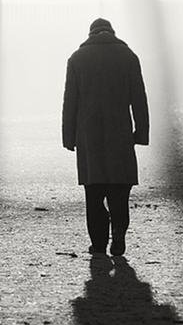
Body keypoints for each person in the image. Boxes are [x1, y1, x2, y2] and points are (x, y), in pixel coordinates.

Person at [62, 18, 149, 257]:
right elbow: (139, 99)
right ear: (112, 33)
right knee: (119, 192)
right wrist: (141, 133)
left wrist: (69, 137)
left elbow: (70, 101)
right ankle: (119, 234)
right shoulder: (128, 57)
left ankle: (99, 243)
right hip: (119, 134)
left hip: (89, 137)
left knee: (94, 193)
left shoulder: (77, 59)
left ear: (90, 34)